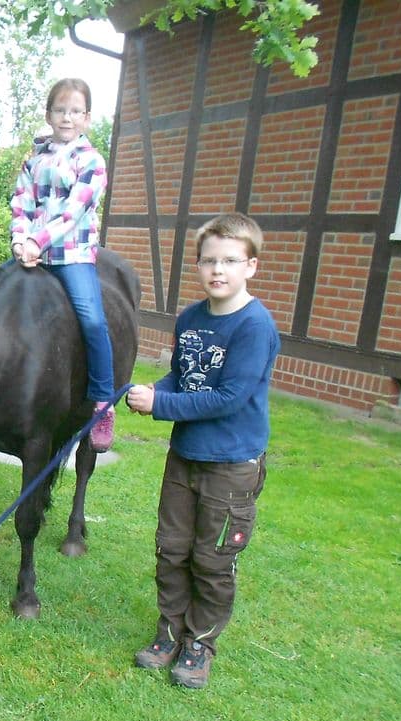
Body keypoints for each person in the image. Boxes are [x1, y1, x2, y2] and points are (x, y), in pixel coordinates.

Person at [126, 212, 280, 689]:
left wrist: (162, 405)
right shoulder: (191, 319)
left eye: (231, 260)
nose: (218, 270)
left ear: (251, 266)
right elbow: (185, 376)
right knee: (171, 549)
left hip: (231, 465)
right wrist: (154, 390)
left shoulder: (254, 326)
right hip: (185, 458)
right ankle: (169, 630)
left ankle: (200, 643)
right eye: (209, 261)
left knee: (212, 560)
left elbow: (228, 397)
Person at [10, 77, 116, 452]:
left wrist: (37, 240)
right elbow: (21, 205)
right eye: (60, 110)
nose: (66, 117)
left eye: (75, 111)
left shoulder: (92, 162)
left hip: (71, 256)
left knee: (92, 318)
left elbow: (73, 212)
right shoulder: (33, 160)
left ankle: (103, 400)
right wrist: (20, 240)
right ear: (48, 114)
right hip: (31, 256)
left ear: (86, 118)